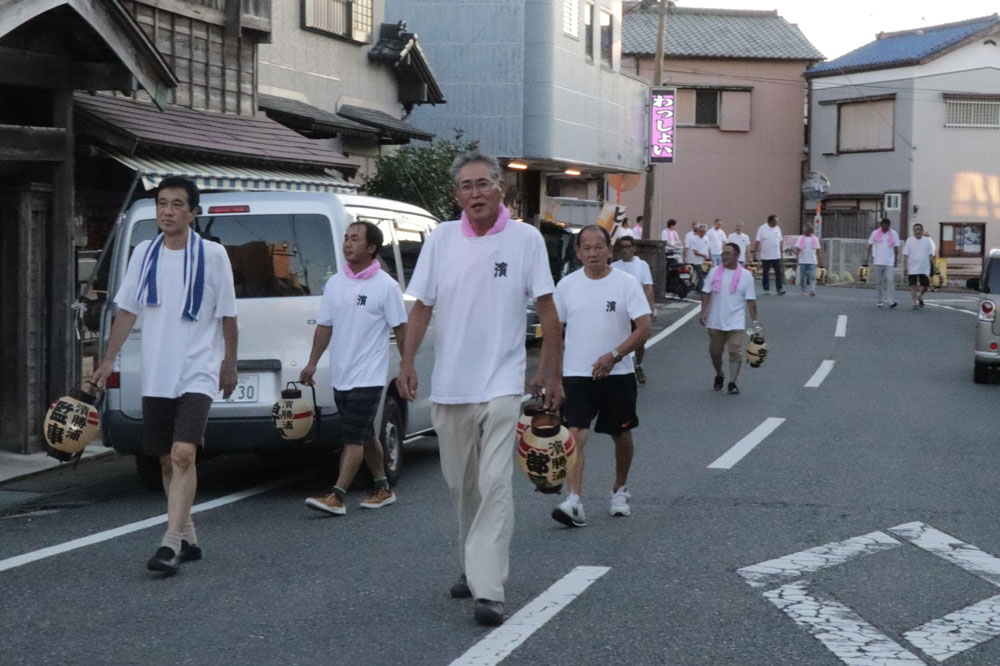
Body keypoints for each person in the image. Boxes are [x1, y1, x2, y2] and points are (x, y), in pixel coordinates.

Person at [396, 150, 564, 627]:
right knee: (461, 485)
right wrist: (406, 362)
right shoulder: (441, 239)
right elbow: (421, 306)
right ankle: (473, 565)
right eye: (466, 186)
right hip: (451, 384)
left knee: (494, 483)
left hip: (502, 381)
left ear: (500, 189)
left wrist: (551, 372)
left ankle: (488, 588)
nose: (475, 193)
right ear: (457, 195)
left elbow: (548, 309)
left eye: (483, 184)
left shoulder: (525, 239)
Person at [91, 176, 238, 575]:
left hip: (199, 367)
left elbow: (228, 314)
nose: (167, 211)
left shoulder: (213, 255)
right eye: (161, 203)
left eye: (176, 204)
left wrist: (229, 363)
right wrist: (107, 361)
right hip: (158, 368)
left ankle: (169, 544)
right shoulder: (144, 253)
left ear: (193, 213)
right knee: (166, 461)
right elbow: (127, 311)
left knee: (183, 453)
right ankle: (189, 536)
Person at [299, 221, 407, 515]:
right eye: (346, 238)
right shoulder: (335, 283)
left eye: (355, 239)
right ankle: (383, 488)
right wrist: (312, 363)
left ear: (371, 247)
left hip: (369, 376)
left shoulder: (386, 286)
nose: (348, 243)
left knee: (352, 437)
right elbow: (325, 326)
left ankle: (337, 496)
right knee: (365, 434)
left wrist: (407, 366)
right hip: (342, 374)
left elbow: (401, 328)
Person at [552, 226, 651, 528]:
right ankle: (574, 501)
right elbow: (554, 332)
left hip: (618, 373)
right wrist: (550, 375)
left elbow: (644, 327)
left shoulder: (626, 284)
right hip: (577, 373)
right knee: (575, 434)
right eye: (586, 248)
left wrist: (615, 355)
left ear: (609, 251)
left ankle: (619, 489)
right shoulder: (567, 286)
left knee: (621, 435)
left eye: (598, 247)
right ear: (578, 252)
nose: (593, 253)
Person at [700, 243, 758, 395]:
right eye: (723, 253)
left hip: (736, 321)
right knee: (715, 353)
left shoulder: (746, 276)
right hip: (715, 321)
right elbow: (706, 292)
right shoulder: (714, 272)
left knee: (735, 351)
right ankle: (719, 374)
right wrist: (704, 312)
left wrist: (755, 322)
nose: (724, 256)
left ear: (737, 256)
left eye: (728, 253)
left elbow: (751, 301)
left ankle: (732, 382)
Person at [611, 236, 655, 384]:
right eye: (622, 247)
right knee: (618, 339)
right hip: (620, 309)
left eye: (627, 247)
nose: (624, 250)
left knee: (639, 340)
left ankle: (638, 364)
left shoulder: (642, 265)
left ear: (633, 248)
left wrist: (650, 310)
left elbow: (647, 287)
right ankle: (618, 368)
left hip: (637, 309)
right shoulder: (614, 266)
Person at [867, 218, 899, 308]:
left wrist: (896, 258)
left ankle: (891, 300)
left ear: (889, 226)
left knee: (890, 281)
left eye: (886, 227)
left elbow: (896, 246)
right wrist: (869, 256)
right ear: (881, 226)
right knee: (879, 282)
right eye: (883, 227)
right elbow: (870, 244)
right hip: (878, 261)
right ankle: (879, 300)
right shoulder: (875, 233)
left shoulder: (893, 234)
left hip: (889, 261)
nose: (884, 229)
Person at [903, 223, 936, 309]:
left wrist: (933, 265)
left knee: (926, 285)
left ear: (922, 231)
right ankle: (915, 302)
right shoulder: (909, 240)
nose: (917, 231)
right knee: (912, 284)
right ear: (913, 231)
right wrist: (905, 266)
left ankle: (919, 296)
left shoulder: (927, 241)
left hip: (924, 266)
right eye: (915, 230)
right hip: (912, 266)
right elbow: (905, 254)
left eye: (919, 229)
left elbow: (931, 254)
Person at [754, 215, 785, 295]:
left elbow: (780, 240)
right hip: (766, 256)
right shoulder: (762, 228)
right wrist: (755, 252)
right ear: (770, 221)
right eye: (775, 221)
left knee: (778, 272)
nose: (776, 223)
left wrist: (782, 250)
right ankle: (766, 288)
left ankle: (779, 288)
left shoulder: (777, 228)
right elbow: (757, 241)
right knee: (765, 272)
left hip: (776, 255)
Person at [795, 224, 823, 296]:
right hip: (803, 260)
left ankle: (812, 290)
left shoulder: (815, 239)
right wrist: (797, 257)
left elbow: (817, 250)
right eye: (806, 230)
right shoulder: (801, 238)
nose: (806, 231)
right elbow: (798, 249)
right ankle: (803, 290)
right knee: (803, 277)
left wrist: (819, 260)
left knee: (812, 276)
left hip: (812, 261)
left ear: (811, 231)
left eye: (809, 230)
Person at [685, 223, 711, 291]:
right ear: (698, 231)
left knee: (705, 276)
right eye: (701, 231)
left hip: (705, 261)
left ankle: (698, 288)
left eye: (704, 232)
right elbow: (695, 252)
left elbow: (708, 249)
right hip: (696, 261)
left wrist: (710, 258)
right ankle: (701, 290)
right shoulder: (694, 239)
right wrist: (703, 255)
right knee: (701, 276)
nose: (703, 233)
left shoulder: (706, 239)